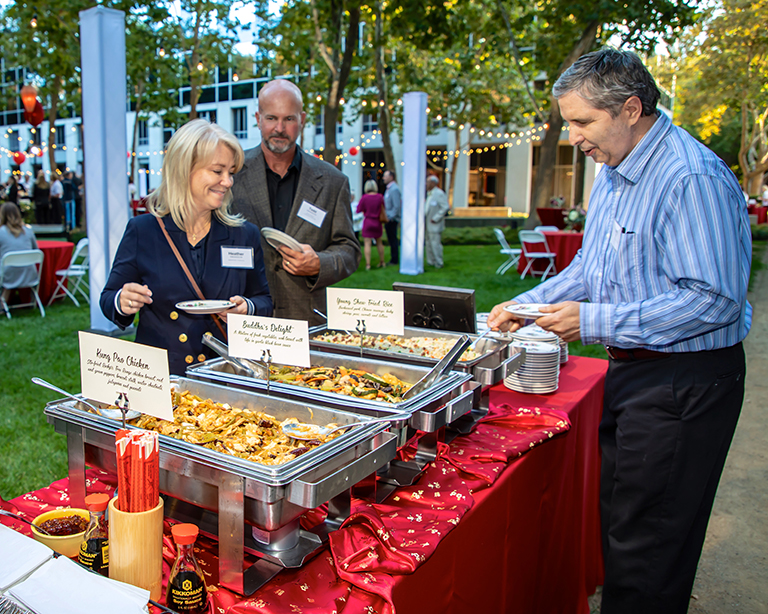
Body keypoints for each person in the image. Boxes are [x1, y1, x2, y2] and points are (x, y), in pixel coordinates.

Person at [487, 48, 750, 614]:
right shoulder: (611, 169)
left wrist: (593, 320)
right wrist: (526, 304)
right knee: (621, 523)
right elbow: (590, 270)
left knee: (651, 546)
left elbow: (715, 301)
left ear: (630, 108)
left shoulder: (692, 177)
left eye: (583, 122)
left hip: (686, 381)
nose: (575, 137)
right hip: (632, 371)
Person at [100, 119, 273, 376]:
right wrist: (122, 300)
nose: (228, 182)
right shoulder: (143, 231)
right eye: (218, 171)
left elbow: (265, 301)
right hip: (161, 377)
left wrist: (246, 307)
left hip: (224, 376)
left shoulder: (243, 235)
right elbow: (109, 299)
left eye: (231, 172)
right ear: (184, 170)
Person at [231, 79, 360, 326]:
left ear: (302, 119)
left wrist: (319, 264)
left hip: (307, 321)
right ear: (258, 118)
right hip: (246, 319)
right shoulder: (231, 175)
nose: (279, 128)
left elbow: (349, 250)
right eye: (271, 118)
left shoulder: (333, 181)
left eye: (289, 119)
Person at [0, 201, 39, 314]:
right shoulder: (28, 231)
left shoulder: (1, 232)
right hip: (29, 273)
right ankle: (32, 302)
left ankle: (3, 304)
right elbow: (35, 251)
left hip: (8, 274)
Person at [356, 179, 386, 270]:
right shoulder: (380, 197)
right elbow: (383, 208)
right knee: (379, 243)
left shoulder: (365, 197)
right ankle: (382, 262)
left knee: (367, 243)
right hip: (377, 222)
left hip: (368, 221)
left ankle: (368, 264)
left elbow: (358, 210)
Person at [424, 175, 449, 268]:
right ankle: (431, 261)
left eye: (428, 182)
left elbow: (445, 207)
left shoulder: (439, 193)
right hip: (427, 223)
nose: (426, 184)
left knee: (435, 243)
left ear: (433, 183)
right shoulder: (429, 193)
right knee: (429, 243)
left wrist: (436, 218)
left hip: (435, 224)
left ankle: (439, 262)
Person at [382, 169, 401, 266]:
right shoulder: (389, 188)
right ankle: (393, 258)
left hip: (392, 219)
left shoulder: (394, 189)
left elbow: (396, 206)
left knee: (393, 239)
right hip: (388, 217)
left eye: (385, 176)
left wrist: (391, 217)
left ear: (391, 177)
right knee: (390, 239)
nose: (383, 178)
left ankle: (395, 259)